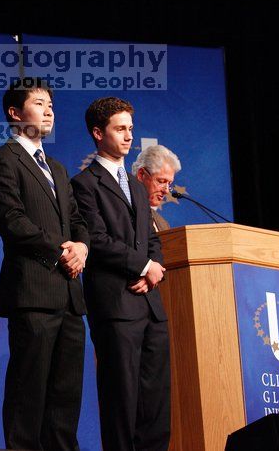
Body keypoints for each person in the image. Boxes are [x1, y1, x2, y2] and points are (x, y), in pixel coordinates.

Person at [0, 78, 90, 451]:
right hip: (33, 292)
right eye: (39, 103)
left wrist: (82, 248)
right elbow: (12, 221)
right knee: (29, 395)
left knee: (66, 400)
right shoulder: (1, 160)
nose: (49, 110)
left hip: (70, 297)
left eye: (51, 105)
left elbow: (77, 221)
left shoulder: (58, 169)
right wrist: (62, 250)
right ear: (15, 113)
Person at [71, 97, 170, 451]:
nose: (129, 136)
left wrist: (154, 270)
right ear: (98, 133)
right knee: (122, 403)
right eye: (119, 128)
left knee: (155, 406)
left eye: (130, 128)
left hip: (151, 308)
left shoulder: (135, 185)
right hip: (116, 306)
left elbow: (151, 237)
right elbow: (95, 239)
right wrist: (142, 266)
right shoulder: (84, 184)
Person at [131, 145, 182, 231]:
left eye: (169, 184)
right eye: (161, 181)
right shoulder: (121, 211)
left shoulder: (163, 223)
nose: (166, 191)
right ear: (141, 175)